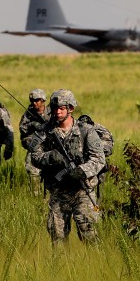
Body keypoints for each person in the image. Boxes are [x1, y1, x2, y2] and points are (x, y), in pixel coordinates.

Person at [31, 89, 105, 244]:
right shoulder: (45, 131)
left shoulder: (86, 131)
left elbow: (98, 159)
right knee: (57, 237)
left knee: (89, 235)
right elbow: (35, 157)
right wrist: (50, 157)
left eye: (62, 108)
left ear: (71, 108)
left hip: (83, 190)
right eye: (55, 108)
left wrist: (82, 171)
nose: (58, 112)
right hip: (58, 191)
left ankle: (95, 264)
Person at [19, 88, 49, 195]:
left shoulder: (51, 112)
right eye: (32, 101)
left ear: (43, 100)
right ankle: (35, 194)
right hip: (34, 146)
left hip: (50, 146)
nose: (34, 103)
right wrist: (32, 125)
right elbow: (22, 128)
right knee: (31, 169)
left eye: (37, 100)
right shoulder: (29, 114)